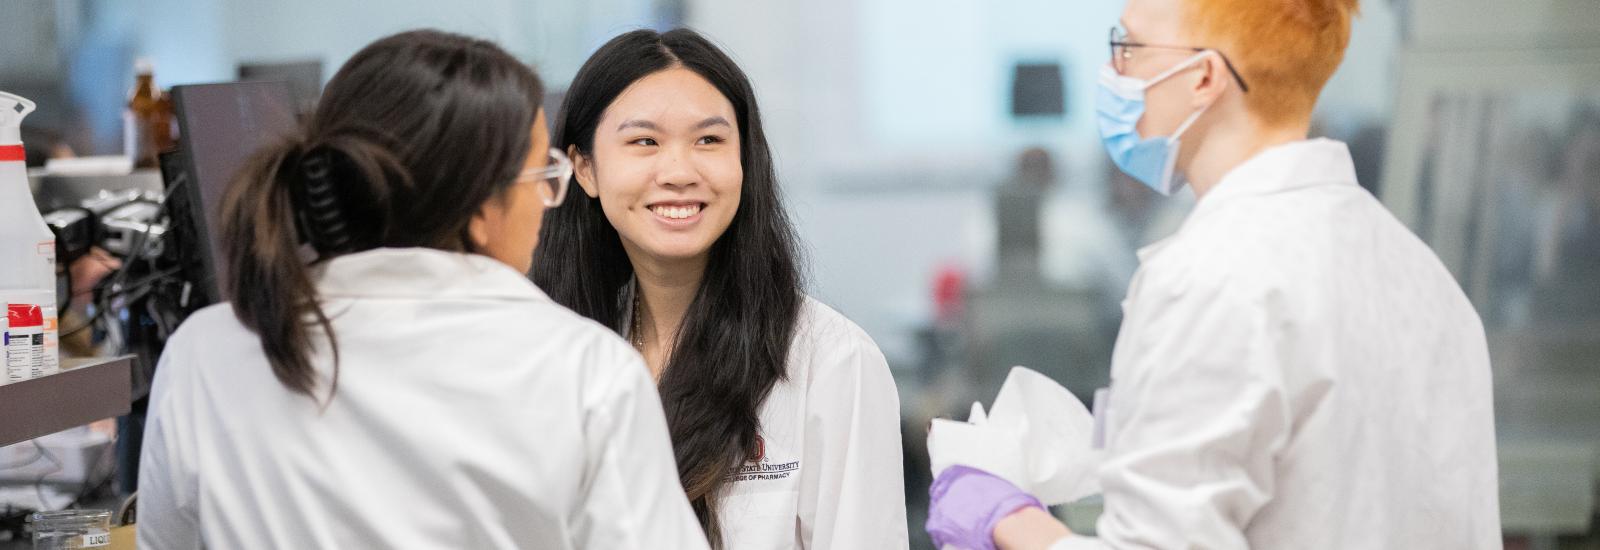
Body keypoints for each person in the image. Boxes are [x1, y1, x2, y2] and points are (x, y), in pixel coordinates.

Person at [925, 0, 1501, 548]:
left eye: (1127, 48)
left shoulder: (1210, 276)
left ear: (1203, 78)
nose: (1110, 72)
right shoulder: (1426, 278)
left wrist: (1008, 518)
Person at [137, 30, 707, 550]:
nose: (545, 204)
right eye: (541, 176)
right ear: (483, 209)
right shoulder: (584, 371)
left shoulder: (204, 353)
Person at [531, 29, 908, 550]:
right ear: (585, 168)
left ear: (744, 162)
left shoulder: (832, 361)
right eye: (645, 141)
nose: (680, 172)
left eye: (709, 140)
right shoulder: (561, 352)